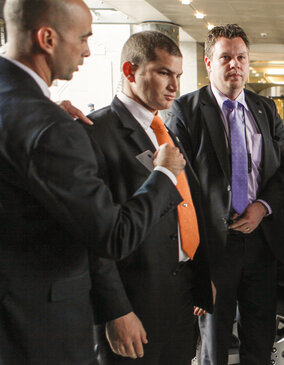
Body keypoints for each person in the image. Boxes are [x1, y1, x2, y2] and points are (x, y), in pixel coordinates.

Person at [0, 0, 187, 364]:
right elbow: (109, 236)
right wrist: (164, 174)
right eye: (83, 37)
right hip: (40, 329)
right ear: (48, 38)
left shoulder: (30, 111)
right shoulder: (60, 129)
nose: (87, 49)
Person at [167, 24, 284, 365]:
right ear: (209, 62)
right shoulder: (185, 111)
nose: (235, 65)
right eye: (225, 57)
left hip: (261, 242)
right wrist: (192, 262)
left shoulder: (265, 109)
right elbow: (179, 186)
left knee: (259, 338)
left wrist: (262, 207)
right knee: (214, 342)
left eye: (241, 57)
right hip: (214, 248)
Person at [87, 31, 213, 364]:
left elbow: (186, 205)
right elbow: (95, 236)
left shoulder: (164, 130)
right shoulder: (95, 132)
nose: (174, 85)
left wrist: (201, 276)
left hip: (179, 298)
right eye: (163, 73)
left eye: (178, 75)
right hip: (133, 303)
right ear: (129, 72)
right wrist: (116, 310)